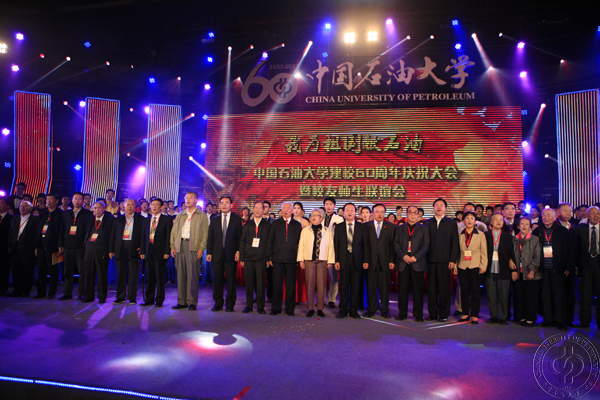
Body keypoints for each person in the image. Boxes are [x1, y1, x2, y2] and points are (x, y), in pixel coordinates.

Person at [533, 208, 571, 330]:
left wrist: (568, 266)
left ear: (555, 217)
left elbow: (569, 250)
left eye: (549, 215)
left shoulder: (562, 231)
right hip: (543, 269)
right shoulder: (538, 231)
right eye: (544, 215)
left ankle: (560, 321)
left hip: (558, 268)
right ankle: (548, 319)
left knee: (559, 295)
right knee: (545, 295)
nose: (546, 217)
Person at [170, 192, 209, 311]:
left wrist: (202, 248)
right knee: (181, 275)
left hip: (193, 246)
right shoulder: (180, 215)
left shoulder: (201, 215)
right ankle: (181, 301)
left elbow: (205, 234)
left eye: (191, 198)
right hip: (180, 246)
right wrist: (173, 246)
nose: (188, 200)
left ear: (196, 200)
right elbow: (174, 232)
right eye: (186, 198)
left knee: (192, 275)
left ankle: (191, 301)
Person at [424, 198, 459, 322]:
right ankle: (432, 313)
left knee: (444, 289)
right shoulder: (427, 223)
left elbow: (455, 242)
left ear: (445, 208)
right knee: (431, 289)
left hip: (445, 261)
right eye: (436, 205)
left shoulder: (451, 223)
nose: (439, 207)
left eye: (441, 205)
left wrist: (452, 259)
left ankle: (444, 314)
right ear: (433, 208)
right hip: (430, 260)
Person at [206, 196, 243, 312]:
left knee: (231, 281)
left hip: (231, 254)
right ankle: (218, 303)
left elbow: (240, 238)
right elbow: (210, 238)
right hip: (216, 254)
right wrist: (209, 252)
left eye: (227, 203)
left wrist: (238, 251)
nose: (224, 205)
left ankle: (230, 304)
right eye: (222, 203)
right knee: (217, 280)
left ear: (231, 205)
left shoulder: (237, 220)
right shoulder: (214, 220)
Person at [393, 205, 429, 322]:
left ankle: (418, 314)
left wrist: (415, 257)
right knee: (402, 291)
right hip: (403, 263)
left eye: (415, 212)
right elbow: (395, 244)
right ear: (407, 214)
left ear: (418, 215)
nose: (413, 214)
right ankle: (402, 313)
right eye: (410, 212)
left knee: (418, 291)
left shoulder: (424, 229)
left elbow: (426, 245)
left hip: (417, 263)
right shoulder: (399, 228)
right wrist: (403, 256)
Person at [266, 201, 302, 316]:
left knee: (291, 285)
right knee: (277, 285)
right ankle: (275, 308)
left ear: (292, 211)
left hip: (292, 259)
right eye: (283, 208)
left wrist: (299, 259)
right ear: (281, 210)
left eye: (288, 208)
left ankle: (290, 309)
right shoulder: (275, 224)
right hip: (277, 259)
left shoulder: (297, 225)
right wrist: (269, 257)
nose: (285, 210)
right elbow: (270, 241)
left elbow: (300, 243)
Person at [298, 208, 335, 317]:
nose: (313, 217)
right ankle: (310, 308)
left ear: (321, 218)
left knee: (321, 285)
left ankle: (320, 308)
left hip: (322, 260)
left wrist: (330, 261)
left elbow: (330, 246)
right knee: (310, 284)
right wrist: (301, 260)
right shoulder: (305, 230)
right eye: (312, 215)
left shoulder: (327, 231)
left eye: (316, 215)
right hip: (309, 260)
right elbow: (301, 245)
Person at [109, 198, 145, 305]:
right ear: (123, 206)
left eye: (132, 204)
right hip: (121, 247)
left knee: (133, 275)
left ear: (135, 206)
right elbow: (113, 235)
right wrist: (111, 249)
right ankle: (120, 297)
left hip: (134, 248)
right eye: (127, 204)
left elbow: (144, 236)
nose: (129, 207)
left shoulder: (141, 219)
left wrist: (142, 248)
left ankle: (132, 297)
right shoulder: (118, 220)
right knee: (121, 274)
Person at [454, 211, 487, 324]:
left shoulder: (480, 234)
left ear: (475, 221)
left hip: (475, 265)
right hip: (462, 265)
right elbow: (456, 251)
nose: (469, 220)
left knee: (475, 291)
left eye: (472, 218)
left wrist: (483, 265)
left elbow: (484, 252)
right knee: (464, 291)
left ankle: (474, 314)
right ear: (463, 221)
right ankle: (465, 313)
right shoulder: (459, 234)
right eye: (467, 218)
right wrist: (455, 265)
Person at [58, 192, 93, 300]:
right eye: (75, 198)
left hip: (81, 246)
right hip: (68, 245)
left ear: (82, 201)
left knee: (82, 271)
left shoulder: (87, 214)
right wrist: (60, 244)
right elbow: (62, 230)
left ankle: (81, 293)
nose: (77, 200)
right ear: (72, 201)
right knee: (67, 271)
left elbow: (89, 230)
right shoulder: (66, 214)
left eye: (79, 199)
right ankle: (67, 293)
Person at [363, 204, 395, 318]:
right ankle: (371, 309)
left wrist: (392, 260)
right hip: (370, 261)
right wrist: (365, 260)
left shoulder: (391, 227)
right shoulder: (366, 226)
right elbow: (364, 245)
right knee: (371, 287)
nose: (379, 214)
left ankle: (385, 309)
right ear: (372, 213)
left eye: (382, 212)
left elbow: (393, 245)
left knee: (384, 288)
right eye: (377, 211)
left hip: (385, 261)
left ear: (384, 213)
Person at [484, 212, 517, 325]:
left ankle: (503, 317)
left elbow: (512, 253)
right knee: (491, 295)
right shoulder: (485, 235)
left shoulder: (508, 236)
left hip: (504, 269)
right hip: (489, 269)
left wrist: (513, 268)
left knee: (503, 296)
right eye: (496, 219)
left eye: (501, 220)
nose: (499, 221)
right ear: (491, 222)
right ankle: (493, 316)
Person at [140, 198, 173, 307]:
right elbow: (143, 237)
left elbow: (168, 237)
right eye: (152, 204)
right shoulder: (146, 220)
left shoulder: (166, 220)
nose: (154, 207)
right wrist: (143, 250)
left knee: (159, 278)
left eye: (156, 205)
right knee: (149, 277)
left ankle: (159, 300)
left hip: (161, 252)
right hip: (149, 251)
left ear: (161, 207)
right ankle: (149, 300)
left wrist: (167, 251)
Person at [334, 203, 364, 319]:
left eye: (352, 210)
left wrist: (365, 260)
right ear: (344, 212)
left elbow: (365, 245)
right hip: (343, 260)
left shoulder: (361, 227)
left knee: (356, 286)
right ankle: (342, 310)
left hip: (357, 260)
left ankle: (353, 310)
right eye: (347, 210)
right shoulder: (339, 227)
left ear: (355, 212)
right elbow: (336, 245)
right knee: (344, 286)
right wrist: (336, 260)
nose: (350, 212)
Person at [239, 201, 271, 314]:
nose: (258, 210)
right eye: (256, 208)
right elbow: (242, 241)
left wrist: (268, 258)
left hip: (261, 258)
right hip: (249, 257)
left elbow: (269, 243)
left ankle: (260, 307)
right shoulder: (247, 225)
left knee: (260, 283)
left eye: (260, 208)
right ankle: (248, 306)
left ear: (263, 210)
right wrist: (242, 258)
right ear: (253, 209)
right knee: (249, 283)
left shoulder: (267, 225)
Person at [82, 201, 114, 303]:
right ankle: (88, 295)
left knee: (102, 274)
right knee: (88, 273)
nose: (97, 210)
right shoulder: (90, 220)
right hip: (89, 249)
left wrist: (110, 250)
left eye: (99, 208)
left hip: (102, 249)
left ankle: (102, 296)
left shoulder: (109, 219)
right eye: (95, 208)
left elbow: (112, 236)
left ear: (104, 209)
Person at [513, 217, 541, 327]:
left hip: (531, 273)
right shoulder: (514, 239)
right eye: (522, 224)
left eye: (527, 224)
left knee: (531, 297)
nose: (524, 226)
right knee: (520, 296)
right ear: (518, 226)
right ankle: (522, 316)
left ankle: (531, 318)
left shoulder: (535, 239)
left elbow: (538, 256)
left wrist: (532, 270)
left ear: (530, 226)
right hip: (519, 272)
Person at [35, 194, 64, 299]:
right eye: (47, 199)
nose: (48, 201)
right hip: (41, 245)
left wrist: (60, 244)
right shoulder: (43, 214)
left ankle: (52, 292)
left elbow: (62, 231)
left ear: (56, 201)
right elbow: (38, 230)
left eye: (51, 199)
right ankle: (41, 292)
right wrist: (36, 246)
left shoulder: (61, 214)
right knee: (41, 270)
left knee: (53, 270)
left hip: (54, 246)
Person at [575, 206, 600, 329]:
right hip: (585, 263)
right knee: (585, 294)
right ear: (588, 216)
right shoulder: (580, 230)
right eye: (593, 214)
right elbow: (576, 249)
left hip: (599, 262)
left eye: (598, 213)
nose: (596, 216)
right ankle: (584, 321)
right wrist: (576, 267)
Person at [7, 201, 38, 297]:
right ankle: (17, 290)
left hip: (28, 248)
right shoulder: (15, 219)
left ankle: (26, 290)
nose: (22, 208)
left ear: (30, 208)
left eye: (25, 206)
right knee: (16, 270)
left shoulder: (35, 219)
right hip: (15, 247)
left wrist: (36, 247)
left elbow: (36, 235)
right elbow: (11, 233)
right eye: (21, 206)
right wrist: (9, 245)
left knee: (27, 270)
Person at [556, 202, 578, 327]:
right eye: (565, 211)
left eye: (570, 211)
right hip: (557, 267)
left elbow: (576, 250)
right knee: (558, 294)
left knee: (570, 294)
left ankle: (569, 319)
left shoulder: (574, 228)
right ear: (558, 212)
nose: (568, 213)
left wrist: (572, 266)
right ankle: (558, 319)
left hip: (570, 267)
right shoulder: (554, 228)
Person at [322, 197, 344, 308]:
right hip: (322, 250)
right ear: (324, 206)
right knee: (321, 276)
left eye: (331, 204)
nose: (329, 206)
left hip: (334, 250)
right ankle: (321, 299)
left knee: (333, 277)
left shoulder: (339, 219)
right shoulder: (320, 218)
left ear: (334, 206)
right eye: (327, 204)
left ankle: (332, 299)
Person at [0, 198, 14, 296]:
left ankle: (3, 288)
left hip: (5, 247)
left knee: (4, 268)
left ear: (7, 206)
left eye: (1, 203)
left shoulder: (12, 219)